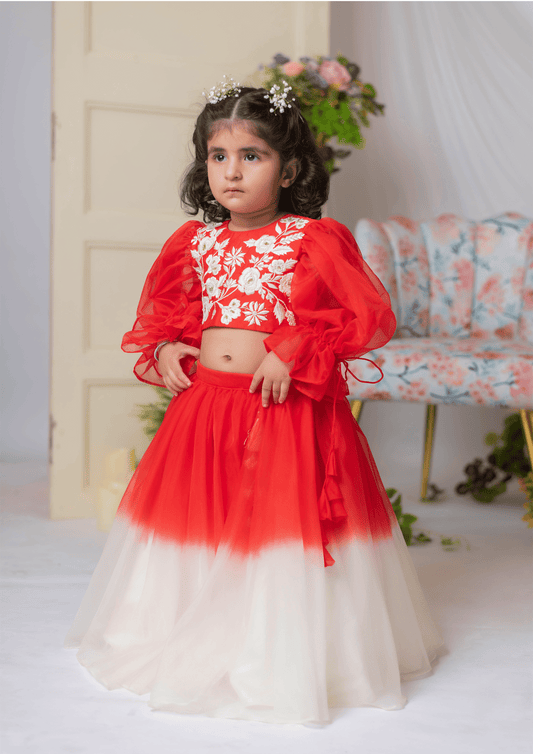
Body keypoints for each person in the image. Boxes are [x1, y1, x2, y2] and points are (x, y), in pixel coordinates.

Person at [65, 78, 443, 725]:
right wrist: (164, 352)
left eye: (251, 156)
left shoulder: (310, 239)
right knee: (199, 524)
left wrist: (290, 347)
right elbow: (165, 317)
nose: (231, 172)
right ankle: (180, 632)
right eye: (218, 157)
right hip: (206, 412)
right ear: (202, 164)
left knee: (276, 532)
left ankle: (276, 653)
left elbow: (360, 316)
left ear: (288, 167)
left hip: (282, 414)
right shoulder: (195, 243)